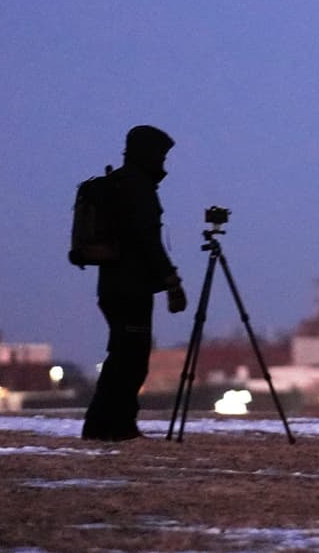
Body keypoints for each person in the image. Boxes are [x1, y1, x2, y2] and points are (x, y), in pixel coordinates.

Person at [82, 125, 188, 441]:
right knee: (129, 360)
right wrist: (172, 282)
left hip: (115, 288)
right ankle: (113, 425)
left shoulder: (121, 185)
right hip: (131, 289)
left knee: (123, 355)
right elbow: (148, 242)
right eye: (161, 155)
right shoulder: (137, 189)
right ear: (147, 153)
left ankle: (108, 424)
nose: (163, 163)